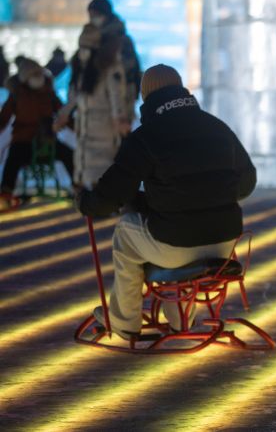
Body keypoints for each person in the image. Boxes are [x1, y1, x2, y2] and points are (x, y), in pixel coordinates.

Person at [76, 64, 256, 339]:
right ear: (181, 89)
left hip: (176, 244)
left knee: (127, 232)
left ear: (146, 96)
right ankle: (180, 322)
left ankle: (124, 321)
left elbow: (111, 195)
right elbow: (247, 182)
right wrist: (212, 195)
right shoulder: (217, 127)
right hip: (224, 244)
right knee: (174, 229)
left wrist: (86, 202)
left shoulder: (147, 136)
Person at [54, 25, 129, 189]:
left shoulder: (91, 65)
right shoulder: (97, 65)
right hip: (93, 126)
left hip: (97, 126)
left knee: (97, 169)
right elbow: (76, 95)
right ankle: (91, 197)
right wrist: (63, 115)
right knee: (93, 169)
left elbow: (114, 96)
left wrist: (63, 115)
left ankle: (93, 198)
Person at [0, 60, 74, 208]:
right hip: (23, 141)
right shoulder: (16, 95)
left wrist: (77, 127)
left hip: (47, 141)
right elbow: (3, 118)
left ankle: (78, 188)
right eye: (34, 75)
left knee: (69, 154)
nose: (38, 77)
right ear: (25, 78)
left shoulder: (49, 94)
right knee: (13, 159)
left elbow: (63, 114)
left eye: (39, 73)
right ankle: (6, 193)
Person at [87, 0, 141, 110]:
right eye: (91, 16)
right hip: (99, 99)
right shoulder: (92, 38)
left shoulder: (122, 40)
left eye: (96, 15)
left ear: (106, 15)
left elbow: (128, 69)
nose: (92, 19)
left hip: (121, 96)